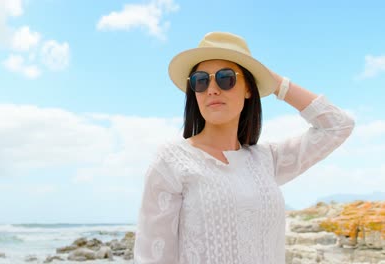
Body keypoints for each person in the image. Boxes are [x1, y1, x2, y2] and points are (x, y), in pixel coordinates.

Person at [133, 32, 355, 264]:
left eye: (226, 78)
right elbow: (152, 257)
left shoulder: (267, 160)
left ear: (249, 88)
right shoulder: (171, 162)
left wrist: (275, 82)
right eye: (200, 80)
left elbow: (338, 126)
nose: (212, 89)